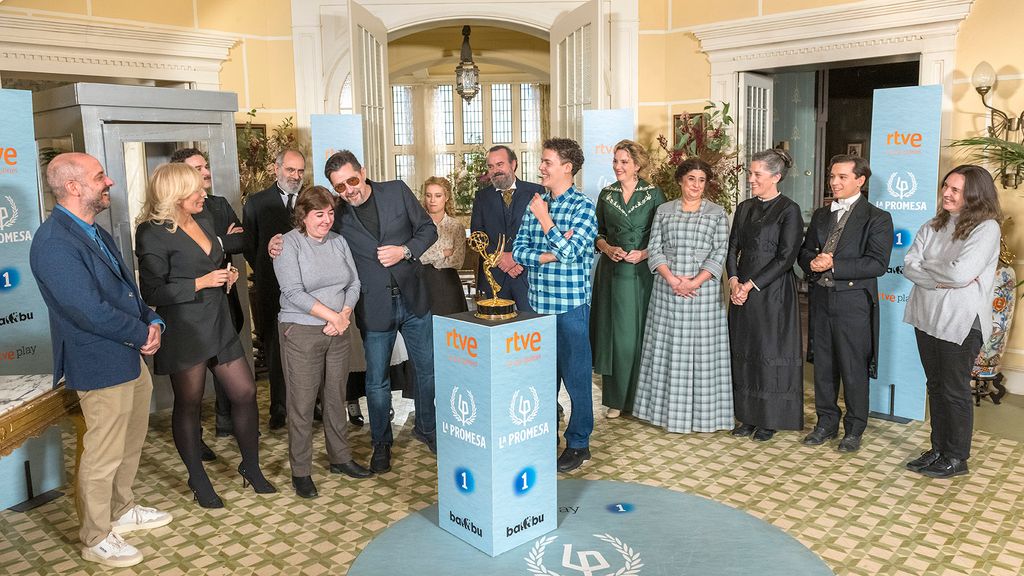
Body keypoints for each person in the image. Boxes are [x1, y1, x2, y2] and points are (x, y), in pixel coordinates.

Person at [30, 152, 171, 568]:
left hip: (129, 355)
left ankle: (122, 509)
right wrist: (141, 333)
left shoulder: (95, 231)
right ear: (74, 187)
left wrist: (154, 320)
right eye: (99, 176)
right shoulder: (54, 242)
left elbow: (127, 291)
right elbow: (87, 311)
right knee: (102, 453)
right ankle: (95, 537)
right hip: (98, 361)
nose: (108, 182)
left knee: (129, 442)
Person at [272, 150, 438, 473]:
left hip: (414, 300)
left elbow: (427, 231)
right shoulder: (338, 215)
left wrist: (405, 251)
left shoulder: (397, 190)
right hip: (374, 307)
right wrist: (277, 242)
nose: (349, 189)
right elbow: (308, 232)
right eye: (340, 186)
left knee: (428, 369)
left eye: (352, 180)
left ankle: (428, 428)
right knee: (376, 382)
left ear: (363, 171)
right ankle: (381, 443)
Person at [136, 163, 275, 509]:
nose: (203, 194)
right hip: (185, 328)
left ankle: (251, 466)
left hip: (219, 320)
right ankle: (197, 477)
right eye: (196, 190)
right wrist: (200, 283)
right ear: (177, 195)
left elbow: (215, 261)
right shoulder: (150, 233)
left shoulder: (205, 221)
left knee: (244, 391)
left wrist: (224, 276)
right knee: (191, 403)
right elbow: (152, 291)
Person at [273, 186, 373, 498]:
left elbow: (354, 282)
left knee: (335, 397)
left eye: (330, 213)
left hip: (339, 329)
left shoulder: (339, 241)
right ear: (303, 216)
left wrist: (343, 314)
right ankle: (300, 471)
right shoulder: (288, 245)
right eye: (319, 214)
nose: (327, 220)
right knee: (302, 404)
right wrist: (332, 316)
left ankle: (340, 458)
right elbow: (292, 291)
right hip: (301, 331)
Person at [903, 165, 1001, 478]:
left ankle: (957, 457)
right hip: (927, 315)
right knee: (935, 386)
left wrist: (929, 268)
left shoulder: (986, 228)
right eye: (946, 186)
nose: (947, 193)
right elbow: (908, 265)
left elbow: (961, 273)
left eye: (956, 189)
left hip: (960, 321)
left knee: (954, 389)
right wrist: (939, 276)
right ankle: (939, 449)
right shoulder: (933, 224)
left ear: (974, 194)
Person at [512, 138, 598, 473]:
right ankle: (544, 438)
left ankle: (578, 443)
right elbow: (518, 250)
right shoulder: (536, 203)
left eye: (547, 161)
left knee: (577, 381)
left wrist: (546, 221)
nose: (541, 167)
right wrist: (548, 253)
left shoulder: (583, 207)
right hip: (537, 308)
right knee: (541, 381)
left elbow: (572, 253)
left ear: (567, 167)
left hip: (571, 308)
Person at [799, 154, 893, 453]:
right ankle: (826, 423)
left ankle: (854, 429)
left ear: (860, 180)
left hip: (854, 304)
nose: (834, 182)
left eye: (841, 177)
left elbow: (876, 264)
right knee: (824, 366)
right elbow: (804, 252)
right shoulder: (821, 215)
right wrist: (811, 262)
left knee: (853, 367)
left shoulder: (877, 218)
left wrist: (833, 264)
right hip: (821, 300)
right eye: (832, 177)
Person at [633, 159, 733, 434]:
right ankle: (664, 415)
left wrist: (695, 281)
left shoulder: (716, 213)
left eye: (702, 180)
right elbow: (655, 248)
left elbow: (720, 252)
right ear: (680, 181)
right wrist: (672, 279)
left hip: (703, 292)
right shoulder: (664, 210)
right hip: (668, 290)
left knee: (703, 354)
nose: (697, 186)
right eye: (691, 179)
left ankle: (706, 417)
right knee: (668, 350)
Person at [727, 149, 805, 442]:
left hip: (772, 293)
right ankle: (746, 417)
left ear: (776, 177)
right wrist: (734, 280)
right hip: (741, 291)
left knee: (768, 353)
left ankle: (768, 419)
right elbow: (732, 246)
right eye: (750, 173)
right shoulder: (745, 208)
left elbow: (786, 258)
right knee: (744, 353)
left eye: (756, 174)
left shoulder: (789, 210)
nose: (751, 179)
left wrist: (749, 286)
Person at [171, 147, 245, 448]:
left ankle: (227, 423)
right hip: (190, 309)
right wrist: (220, 242)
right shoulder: (167, 214)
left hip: (225, 299)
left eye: (206, 166)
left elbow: (242, 239)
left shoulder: (217, 204)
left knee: (228, 369)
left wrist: (215, 240)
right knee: (191, 383)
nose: (206, 173)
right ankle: (195, 440)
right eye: (198, 168)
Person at [591, 139, 665, 419]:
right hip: (612, 273)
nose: (618, 166)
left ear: (637, 165)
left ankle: (641, 399)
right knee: (615, 336)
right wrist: (607, 248)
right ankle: (615, 399)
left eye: (624, 162)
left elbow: (662, 233)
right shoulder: (606, 195)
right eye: (615, 160)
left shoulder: (653, 193)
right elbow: (596, 232)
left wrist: (645, 253)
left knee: (641, 334)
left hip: (643, 273)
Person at [243, 149, 306, 430]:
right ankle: (279, 407)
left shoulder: (309, 200)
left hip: (308, 288)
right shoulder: (256, 202)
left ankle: (311, 404)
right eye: (290, 170)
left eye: (300, 171)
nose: (295, 176)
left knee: (308, 347)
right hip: (271, 288)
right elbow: (250, 245)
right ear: (276, 169)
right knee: (274, 346)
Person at [470, 145, 544, 313]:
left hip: (526, 273)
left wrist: (516, 259)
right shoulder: (481, 197)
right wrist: (501, 260)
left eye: (500, 164)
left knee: (531, 330)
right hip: (494, 274)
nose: (495, 170)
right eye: (490, 166)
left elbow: (540, 233)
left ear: (513, 164)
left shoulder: (535, 191)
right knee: (497, 332)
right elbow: (477, 235)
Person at [420, 176, 468, 315]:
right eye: (428, 195)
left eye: (438, 195)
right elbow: (415, 257)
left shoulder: (455, 227)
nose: (432, 200)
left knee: (452, 332)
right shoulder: (417, 225)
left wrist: (430, 258)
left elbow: (458, 261)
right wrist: (443, 253)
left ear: (446, 197)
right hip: (422, 284)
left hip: (449, 286)